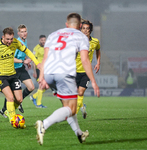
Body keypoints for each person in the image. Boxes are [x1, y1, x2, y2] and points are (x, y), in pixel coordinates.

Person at [35, 13, 100, 145]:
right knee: (72, 109)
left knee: (67, 106)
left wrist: (41, 77)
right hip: (64, 73)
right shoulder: (81, 37)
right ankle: (44, 124)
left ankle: (79, 133)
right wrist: (93, 81)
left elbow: (45, 58)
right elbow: (85, 60)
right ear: (80, 26)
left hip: (49, 72)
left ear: (66, 24)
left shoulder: (53, 34)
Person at [0, 24, 37, 116]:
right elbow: (11, 58)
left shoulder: (25, 41)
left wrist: (26, 62)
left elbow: (23, 53)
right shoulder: (16, 43)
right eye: (22, 32)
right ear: (18, 33)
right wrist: (24, 61)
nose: (24, 33)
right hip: (13, 70)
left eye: (25, 31)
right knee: (11, 92)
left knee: (31, 87)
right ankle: (4, 110)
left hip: (21, 68)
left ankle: (19, 102)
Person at [75, 20, 101, 119]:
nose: (85, 31)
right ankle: (82, 106)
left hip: (86, 72)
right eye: (83, 28)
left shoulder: (95, 42)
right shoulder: (76, 41)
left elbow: (98, 50)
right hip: (74, 71)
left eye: (87, 29)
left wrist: (98, 62)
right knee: (74, 95)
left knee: (80, 92)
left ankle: (73, 115)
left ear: (91, 30)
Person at [30, 35, 47, 108]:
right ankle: (39, 104)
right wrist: (34, 71)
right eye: (42, 40)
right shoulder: (36, 48)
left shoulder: (47, 47)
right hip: (39, 68)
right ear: (39, 40)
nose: (43, 41)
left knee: (46, 86)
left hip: (46, 68)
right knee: (41, 85)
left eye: (44, 40)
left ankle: (34, 96)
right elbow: (34, 60)